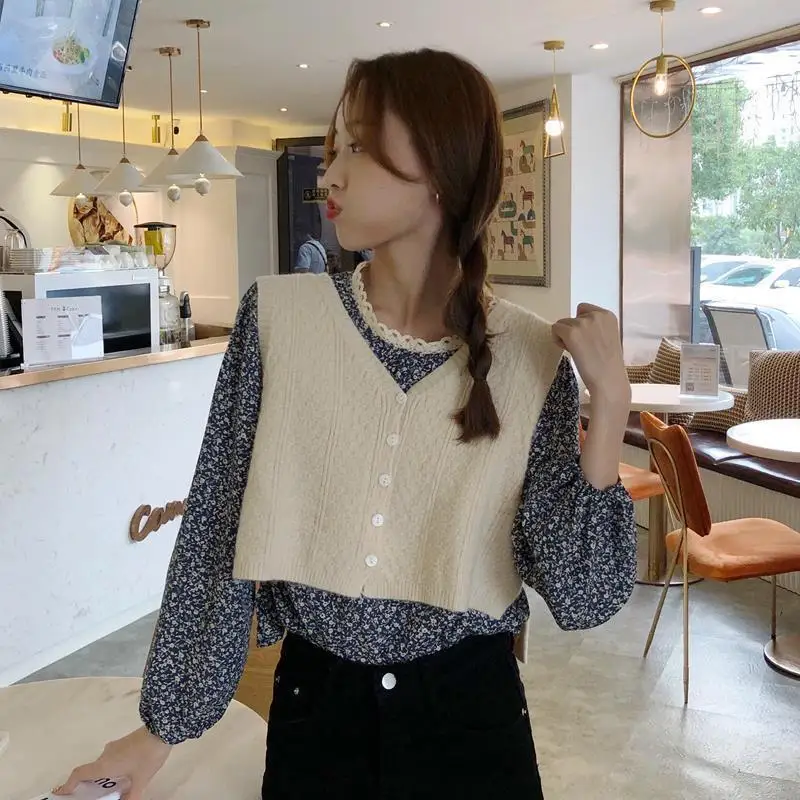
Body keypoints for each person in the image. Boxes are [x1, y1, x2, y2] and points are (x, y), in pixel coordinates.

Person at [53, 49, 636, 800]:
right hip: (315, 714)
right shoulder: (279, 320)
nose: (329, 175)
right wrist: (159, 732)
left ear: (439, 171)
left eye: (358, 148)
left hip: (474, 725)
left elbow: (585, 598)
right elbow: (217, 533)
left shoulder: (530, 357)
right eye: (337, 148)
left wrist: (610, 409)